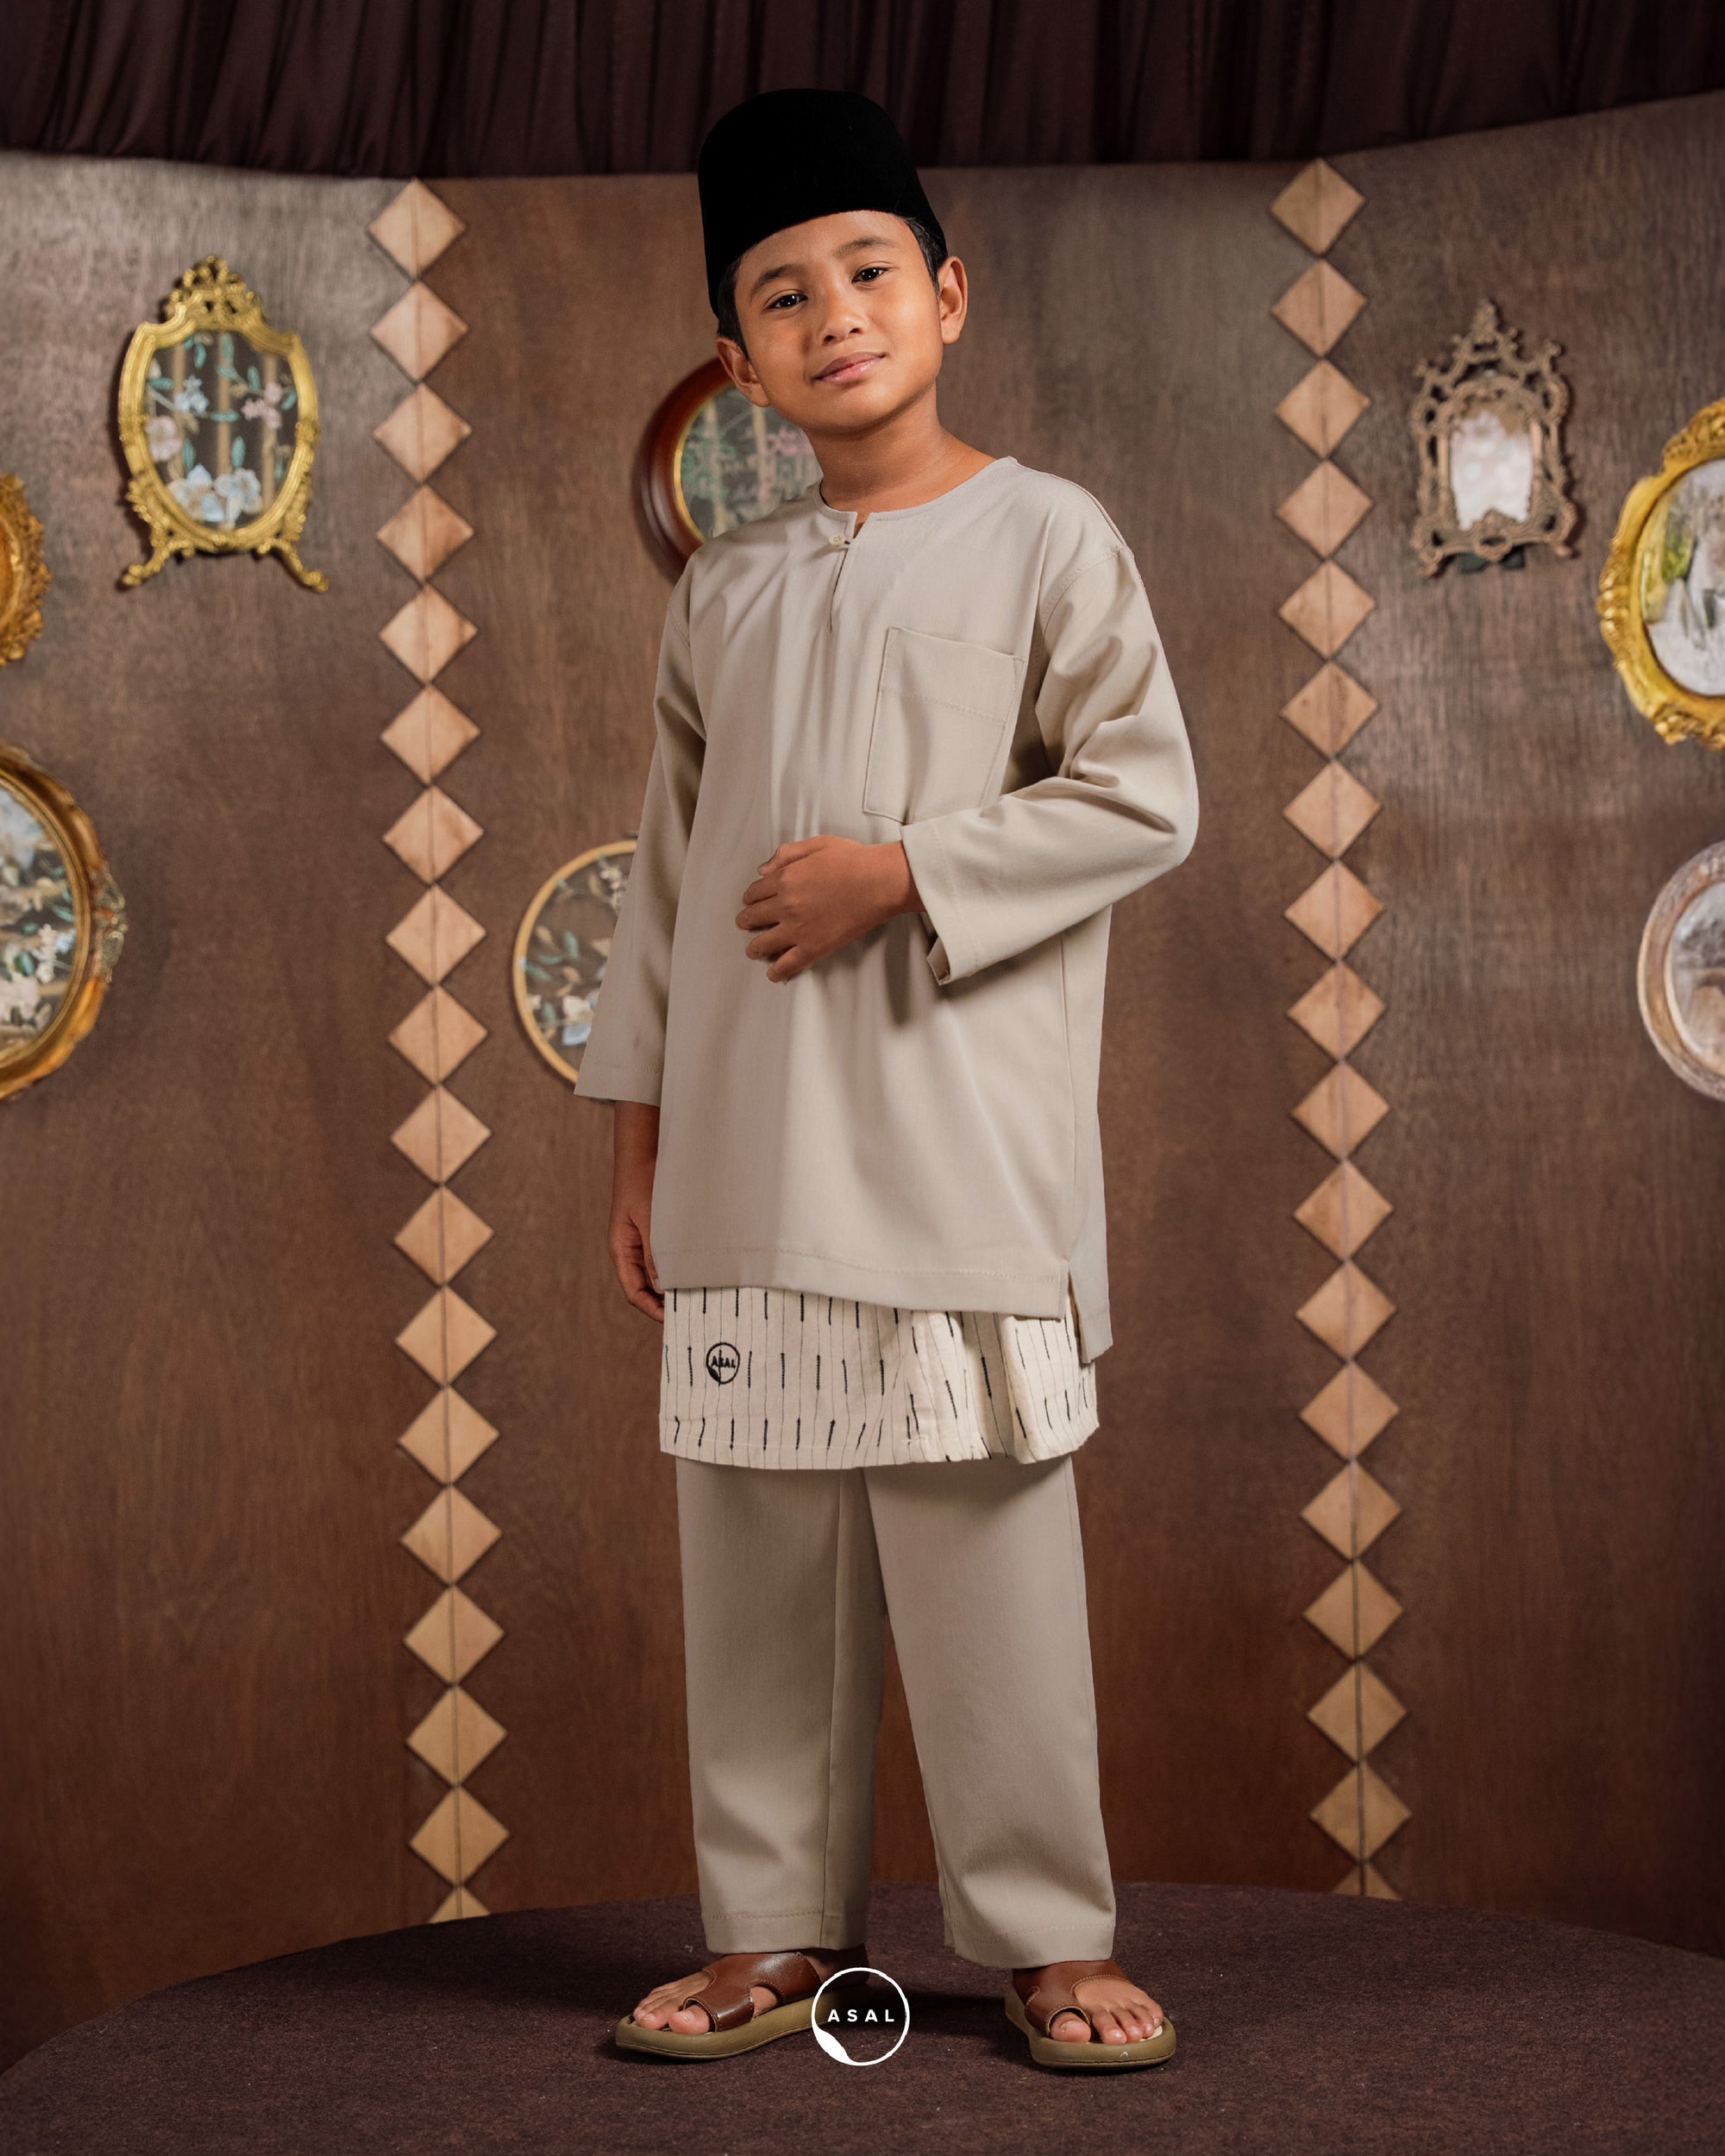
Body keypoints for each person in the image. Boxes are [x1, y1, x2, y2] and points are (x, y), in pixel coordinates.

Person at [577, 86, 1198, 2071]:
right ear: (738, 357)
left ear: (947, 294)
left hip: (950, 1145)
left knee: (983, 1539)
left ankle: (1045, 1933)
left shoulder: (1045, 535)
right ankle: (768, 1925)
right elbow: (666, 889)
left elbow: (1146, 793)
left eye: (865, 271)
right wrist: (638, 1144)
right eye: (781, 293)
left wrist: (903, 872)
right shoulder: (724, 588)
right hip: (747, 1149)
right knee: (754, 1548)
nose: (831, 314)